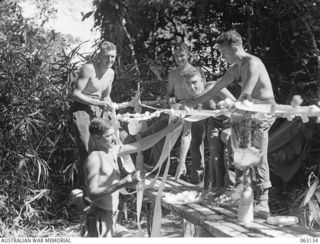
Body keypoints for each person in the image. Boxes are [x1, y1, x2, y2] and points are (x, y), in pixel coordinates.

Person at [186, 30, 275, 217]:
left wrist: (231, 106)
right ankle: (245, 196)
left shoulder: (253, 63)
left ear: (235, 47)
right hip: (246, 113)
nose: (223, 57)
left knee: (257, 153)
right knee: (242, 154)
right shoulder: (236, 68)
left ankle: (264, 202)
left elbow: (246, 95)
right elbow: (215, 88)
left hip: (262, 112)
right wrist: (192, 104)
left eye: (224, 53)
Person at [83, 117, 181, 237]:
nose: (114, 139)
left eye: (114, 134)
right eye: (108, 136)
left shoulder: (112, 150)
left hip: (111, 215)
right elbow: (92, 195)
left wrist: (167, 130)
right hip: (100, 217)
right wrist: (123, 183)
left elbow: (141, 144)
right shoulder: (94, 159)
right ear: (96, 138)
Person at [70, 41, 137, 181]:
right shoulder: (88, 69)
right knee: (88, 148)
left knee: (120, 139)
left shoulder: (111, 73)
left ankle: (109, 181)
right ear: (99, 55)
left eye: (113, 57)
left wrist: (114, 113)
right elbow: (75, 94)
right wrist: (96, 102)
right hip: (82, 108)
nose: (110, 60)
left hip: (100, 108)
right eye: (107, 56)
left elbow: (106, 97)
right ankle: (90, 189)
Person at [181, 67, 236, 191]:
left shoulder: (214, 87)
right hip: (213, 123)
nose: (192, 87)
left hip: (232, 122)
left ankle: (233, 189)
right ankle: (218, 189)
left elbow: (237, 105)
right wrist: (182, 162)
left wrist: (228, 110)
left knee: (229, 151)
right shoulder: (190, 101)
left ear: (203, 80)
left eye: (194, 82)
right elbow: (186, 134)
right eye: (188, 85)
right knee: (215, 155)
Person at [166, 43, 207, 185]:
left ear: (188, 55)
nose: (179, 59)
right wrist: (170, 100)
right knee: (161, 134)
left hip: (196, 109)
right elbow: (169, 94)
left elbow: (205, 92)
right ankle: (173, 175)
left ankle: (198, 182)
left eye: (182, 55)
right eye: (176, 56)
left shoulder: (197, 71)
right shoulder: (172, 73)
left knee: (195, 143)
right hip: (178, 111)